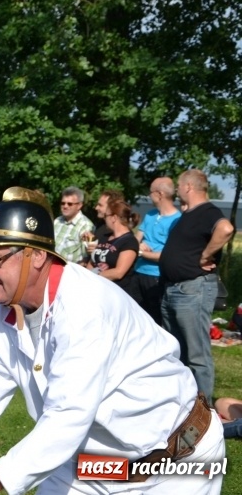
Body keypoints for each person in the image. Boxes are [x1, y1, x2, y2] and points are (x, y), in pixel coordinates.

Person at [0, 186, 225, 495]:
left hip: (176, 463)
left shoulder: (85, 307)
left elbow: (67, 417)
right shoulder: (1, 322)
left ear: (38, 256)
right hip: (91, 466)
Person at [159, 169, 235, 403]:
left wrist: (206, 255)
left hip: (191, 290)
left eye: (179, 186)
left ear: (188, 187)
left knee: (197, 353)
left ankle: (203, 409)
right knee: (176, 350)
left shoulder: (207, 212)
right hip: (174, 289)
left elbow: (226, 229)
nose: (177, 190)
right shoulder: (191, 213)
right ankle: (182, 401)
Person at [127, 177, 181, 325]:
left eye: (150, 192)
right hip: (138, 273)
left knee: (155, 319)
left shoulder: (177, 220)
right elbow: (134, 241)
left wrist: (141, 252)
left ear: (160, 194)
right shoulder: (150, 215)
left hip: (156, 277)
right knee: (134, 315)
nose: (149, 196)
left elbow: (167, 256)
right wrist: (138, 246)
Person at [87, 199, 140, 296]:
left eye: (106, 216)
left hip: (116, 293)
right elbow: (92, 261)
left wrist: (92, 276)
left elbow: (118, 272)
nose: (104, 219)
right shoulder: (104, 237)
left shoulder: (130, 241)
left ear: (114, 218)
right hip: (97, 289)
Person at [53, 186, 94, 264]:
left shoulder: (86, 226)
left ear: (79, 205)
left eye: (70, 204)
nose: (65, 206)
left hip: (67, 271)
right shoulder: (57, 221)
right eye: (63, 203)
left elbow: (85, 259)